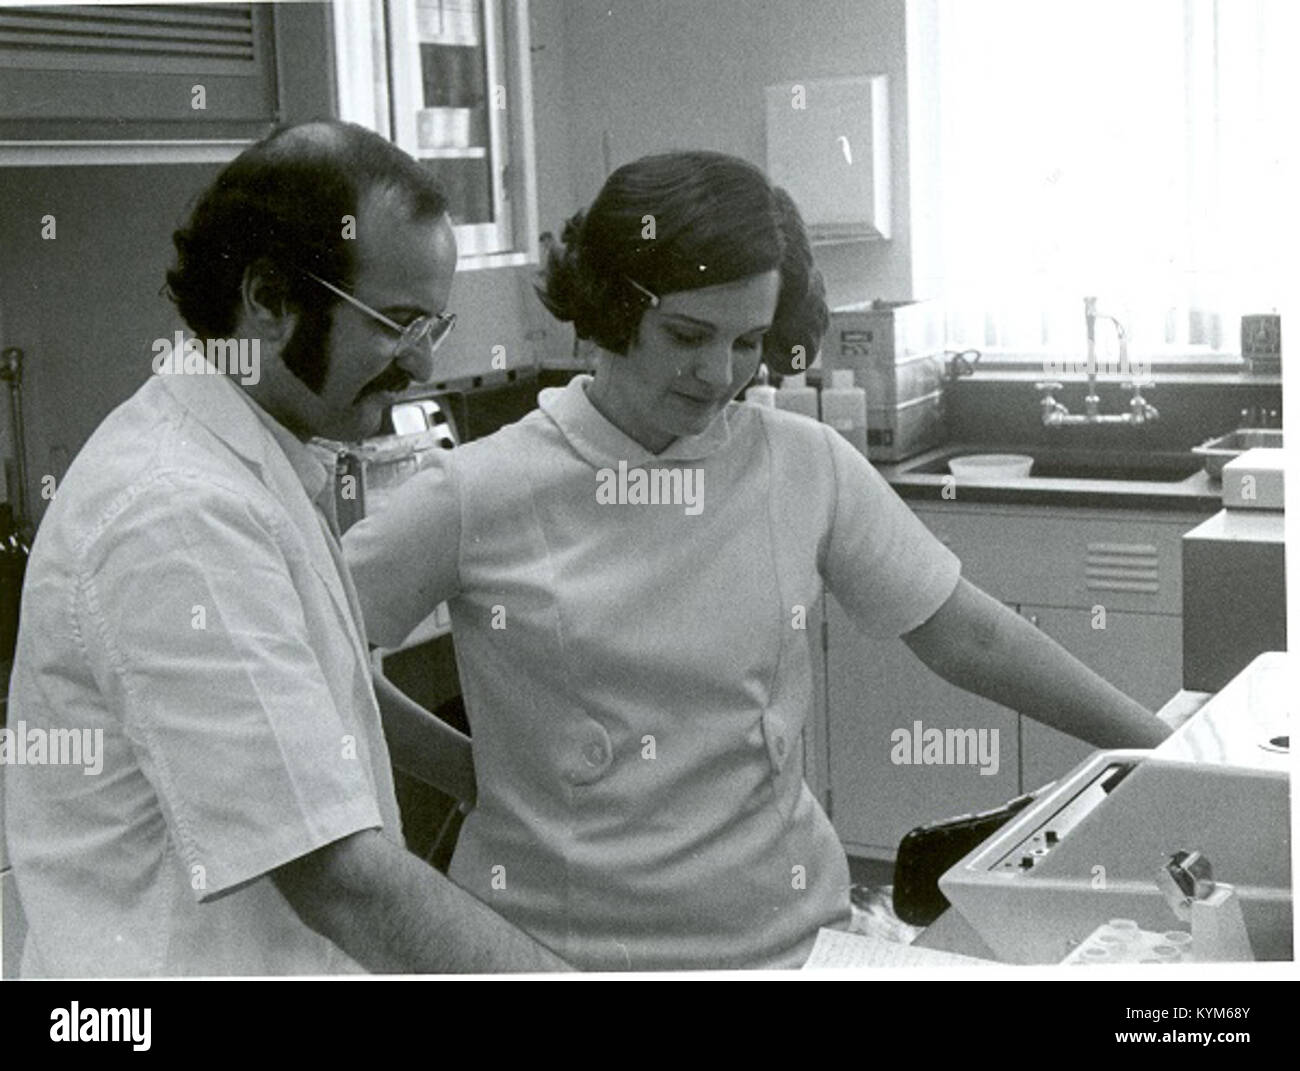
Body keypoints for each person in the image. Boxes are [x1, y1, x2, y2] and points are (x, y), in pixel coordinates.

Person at [342, 150, 1171, 971]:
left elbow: (969, 636)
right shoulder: (480, 489)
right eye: (687, 335)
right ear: (606, 308)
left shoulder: (801, 463)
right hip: (557, 952)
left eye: (749, 341)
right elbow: (314, 644)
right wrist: (469, 771)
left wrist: (1169, 748)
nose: (720, 374)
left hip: (784, 941)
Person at [3, 121, 567, 976]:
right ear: (268, 298)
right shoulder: (177, 515)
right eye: (397, 324)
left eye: (434, 328)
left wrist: (499, 788)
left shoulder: (253, 451)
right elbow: (341, 880)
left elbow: (333, 696)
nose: (418, 367)